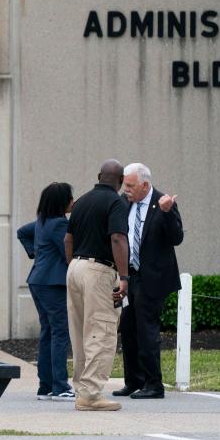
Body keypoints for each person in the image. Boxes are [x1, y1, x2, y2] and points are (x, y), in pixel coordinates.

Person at [113, 163, 183, 400]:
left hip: (151, 277)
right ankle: (133, 381)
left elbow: (177, 238)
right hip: (130, 276)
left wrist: (168, 212)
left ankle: (154, 384)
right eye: (125, 185)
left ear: (145, 185)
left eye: (131, 186)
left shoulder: (163, 202)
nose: (126, 190)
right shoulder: (125, 203)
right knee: (129, 329)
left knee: (147, 331)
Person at [64, 159, 130, 411]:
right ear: (121, 181)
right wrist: (124, 277)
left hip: (76, 268)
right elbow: (117, 238)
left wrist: (72, 265)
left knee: (81, 331)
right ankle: (91, 395)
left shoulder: (81, 202)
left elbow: (68, 239)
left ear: (98, 176)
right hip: (99, 270)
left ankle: (82, 388)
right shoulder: (116, 202)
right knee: (102, 330)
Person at [17, 182, 75, 402]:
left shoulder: (43, 222)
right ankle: (60, 387)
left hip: (38, 280)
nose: (72, 201)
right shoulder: (59, 224)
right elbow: (68, 251)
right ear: (62, 202)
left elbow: (22, 232)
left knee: (48, 332)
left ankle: (46, 386)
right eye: (70, 198)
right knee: (60, 332)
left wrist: (34, 252)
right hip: (52, 283)